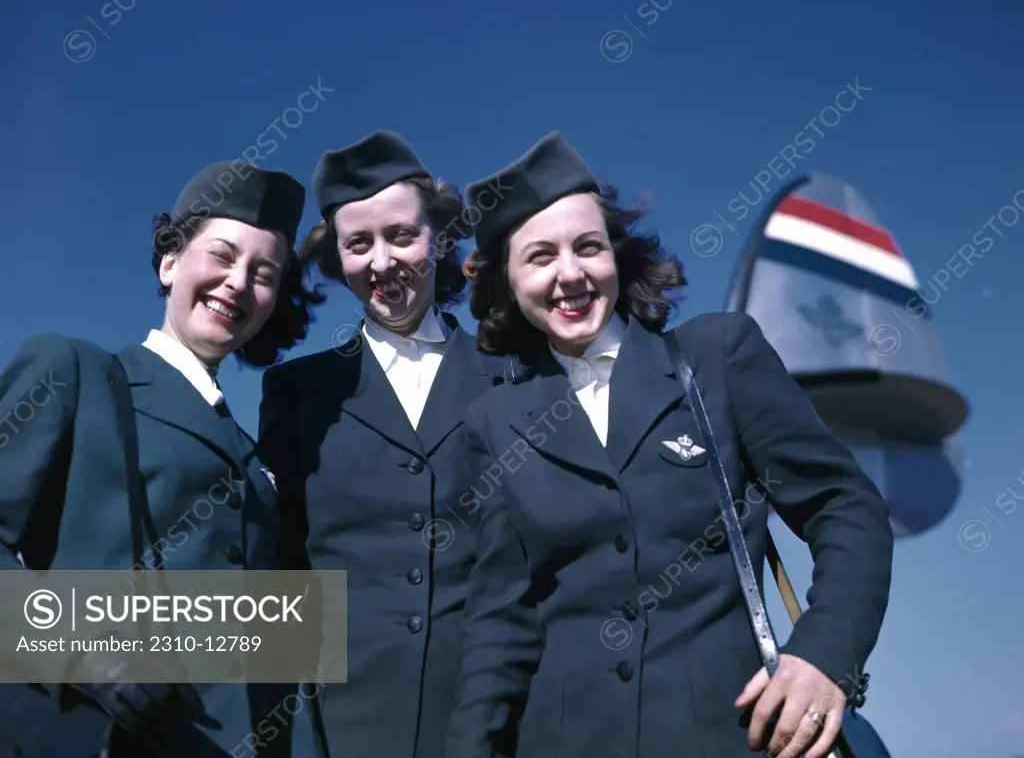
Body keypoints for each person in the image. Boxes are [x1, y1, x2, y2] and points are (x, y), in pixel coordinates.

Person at [444, 132, 895, 758]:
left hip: (731, 736)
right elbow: (500, 623)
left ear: (617, 256)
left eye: (588, 247)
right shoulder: (493, 422)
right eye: (540, 257)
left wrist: (823, 655)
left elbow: (844, 506)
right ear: (509, 284)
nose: (570, 274)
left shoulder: (718, 357)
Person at [0, 160, 324, 758]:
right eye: (222, 256)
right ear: (170, 261)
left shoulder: (259, 463)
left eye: (263, 274)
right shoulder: (74, 372)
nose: (237, 282)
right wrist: (75, 650)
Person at [257, 130, 524, 758]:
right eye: (359, 243)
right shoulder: (295, 392)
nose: (382, 262)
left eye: (403, 235)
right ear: (337, 258)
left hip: (506, 725)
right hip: (343, 730)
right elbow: (281, 569)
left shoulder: (516, 374)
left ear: (440, 236)